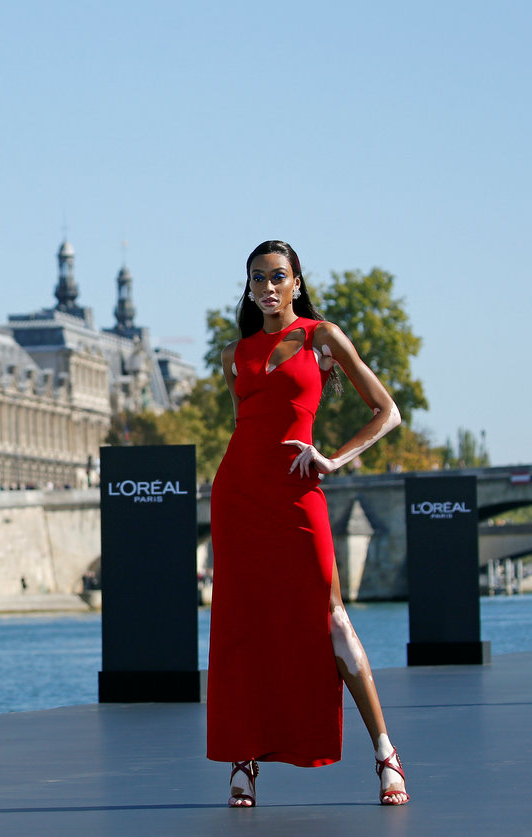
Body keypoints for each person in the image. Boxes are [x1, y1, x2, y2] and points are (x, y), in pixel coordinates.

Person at [206, 240, 409, 808]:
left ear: (296, 281)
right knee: (242, 625)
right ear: (248, 287)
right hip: (239, 497)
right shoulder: (233, 354)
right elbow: (248, 427)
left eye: (278, 276)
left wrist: (334, 459)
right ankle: (243, 758)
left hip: (298, 495)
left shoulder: (323, 337)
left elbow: (388, 412)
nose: (268, 287)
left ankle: (386, 753)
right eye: (257, 278)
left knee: (332, 619)